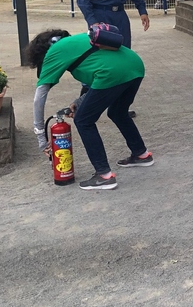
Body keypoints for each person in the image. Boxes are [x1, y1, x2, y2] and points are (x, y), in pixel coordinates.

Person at [27, 26, 154, 191]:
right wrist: (79, 102)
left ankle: (104, 175)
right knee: (118, 112)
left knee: (84, 121)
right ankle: (141, 154)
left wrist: (41, 138)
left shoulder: (54, 52)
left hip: (111, 73)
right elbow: (94, 78)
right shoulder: (78, 40)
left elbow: (40, 96)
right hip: (135, 66)